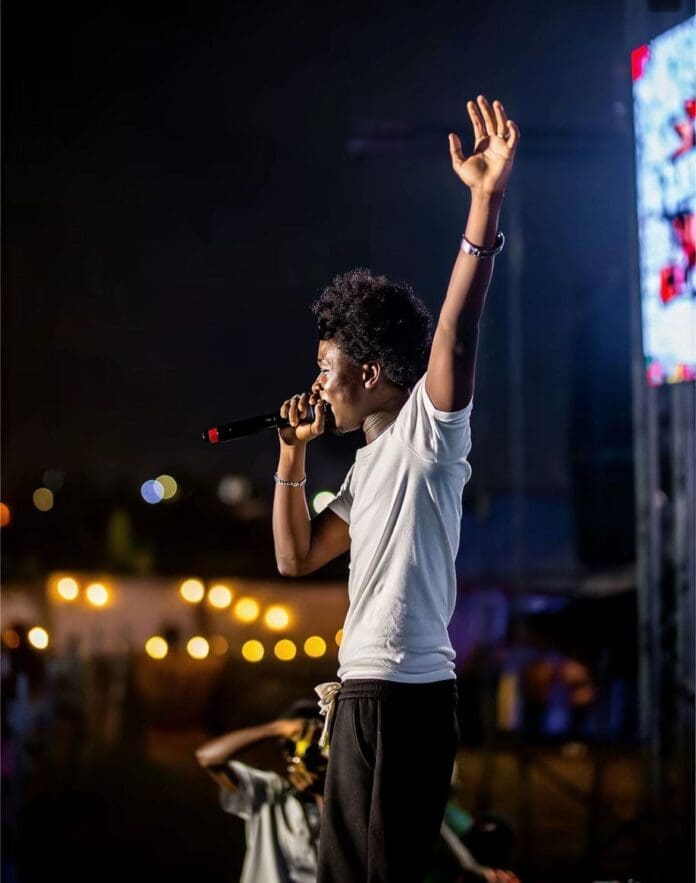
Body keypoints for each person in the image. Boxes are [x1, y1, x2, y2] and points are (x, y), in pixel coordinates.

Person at [272, 94, 519, 882]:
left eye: (327, 366)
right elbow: (296, 556)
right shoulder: (364, 468)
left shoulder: (428, 432)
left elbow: (456, 329)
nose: (318, 382)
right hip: (357, 694)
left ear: (370, 372)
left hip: (409, 696)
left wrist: (484, 202)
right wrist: (289, 457)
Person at [195, 700, 327, 883]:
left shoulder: (346, 798)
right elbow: (207, 758)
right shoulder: (267, 789)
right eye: (292, 744)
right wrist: (276, 729)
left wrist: (321, 795)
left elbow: (342, 853)